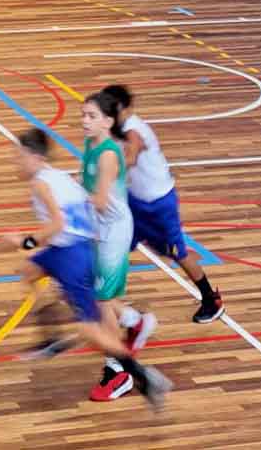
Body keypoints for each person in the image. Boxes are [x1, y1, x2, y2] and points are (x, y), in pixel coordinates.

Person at [9, 127, 168, 413]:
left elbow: (56, 225)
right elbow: (83, 209)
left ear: (34, 156)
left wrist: (23, 240)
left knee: (90, 329)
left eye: (18, 157)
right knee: (29, 270)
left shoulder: (40, 185)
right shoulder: (59, 177)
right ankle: (52, 334)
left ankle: (145, 377)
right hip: (70, 250)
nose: (15, 162)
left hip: (71, 257)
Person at [104, 82, 223, 323]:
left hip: (159, 205)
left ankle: (211, 299)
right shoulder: (117, 129)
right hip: (136, 202)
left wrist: (107, 177)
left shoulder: (133, 129)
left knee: (177, 252)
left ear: (118, 107)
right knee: (117, 245)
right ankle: (107, 300)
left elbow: (132, 155)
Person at [79, 91, 155, 401]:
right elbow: (86, 183)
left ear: (108, 122)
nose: (84, 121)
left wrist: (64, 201)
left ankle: (118, 371)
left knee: (100, 301)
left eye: (91, 116)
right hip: (97, 229)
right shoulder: (90, 144)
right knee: (100, 296)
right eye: (83, 115)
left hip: (112, 233)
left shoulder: (109, 154)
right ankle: (136, 322)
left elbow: (97, 201)